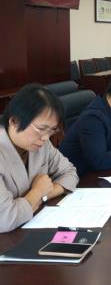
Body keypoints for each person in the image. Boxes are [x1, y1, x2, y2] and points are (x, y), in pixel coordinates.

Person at [0, 85, 78, 233]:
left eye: (52, 130)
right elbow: (4, 219)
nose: (45, 138)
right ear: (14, 121)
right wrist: (37, 191)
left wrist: (42, 196)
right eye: (41, 129)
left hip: (28, 227)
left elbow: (70, 173)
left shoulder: (41, 144)